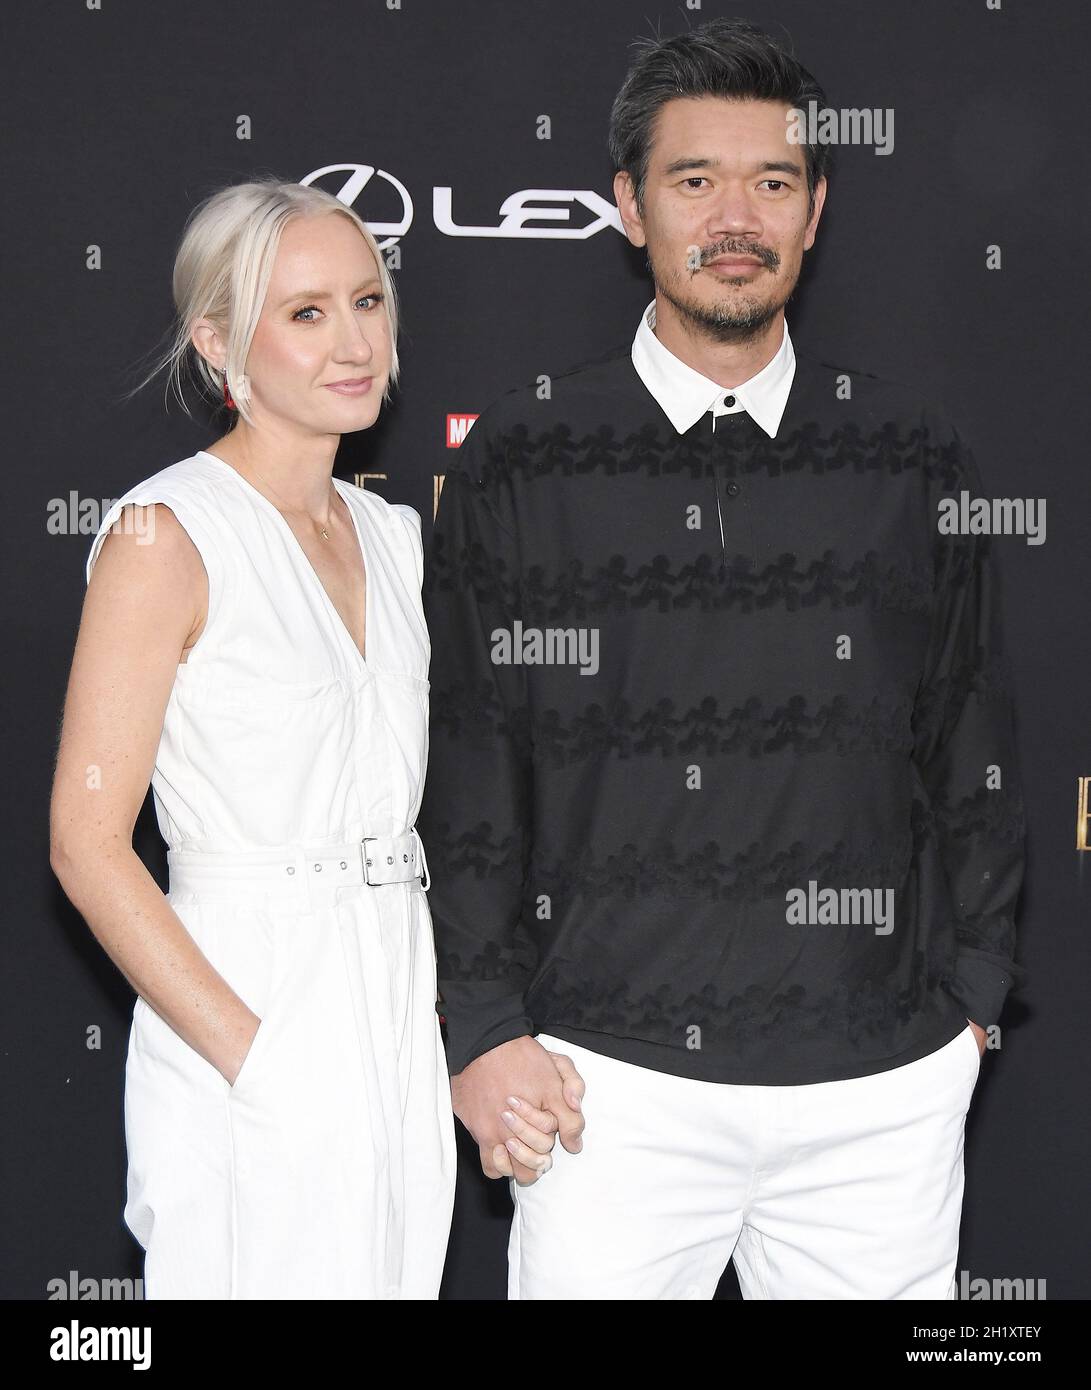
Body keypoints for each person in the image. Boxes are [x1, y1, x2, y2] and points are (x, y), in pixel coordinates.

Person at [416, 18, 1027, 1299]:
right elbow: (470, 767)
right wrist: (479, 1030)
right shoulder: (521, 462)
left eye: (772, 182)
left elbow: (967, 737)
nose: (734, 215)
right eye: (694, 181)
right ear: (628, 207)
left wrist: (970, 996)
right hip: (603, 1093)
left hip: (878, 1099)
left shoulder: (909, 459)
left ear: (815, 211)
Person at [48, 177, 561, 1299]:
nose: (353, 341)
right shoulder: (161, 535)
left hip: (393, 986)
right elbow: (86, 844)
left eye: (367, 302)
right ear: (218, 341)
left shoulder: (391, 536)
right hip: (248, 988)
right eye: (306, 311)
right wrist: (257, 1054)